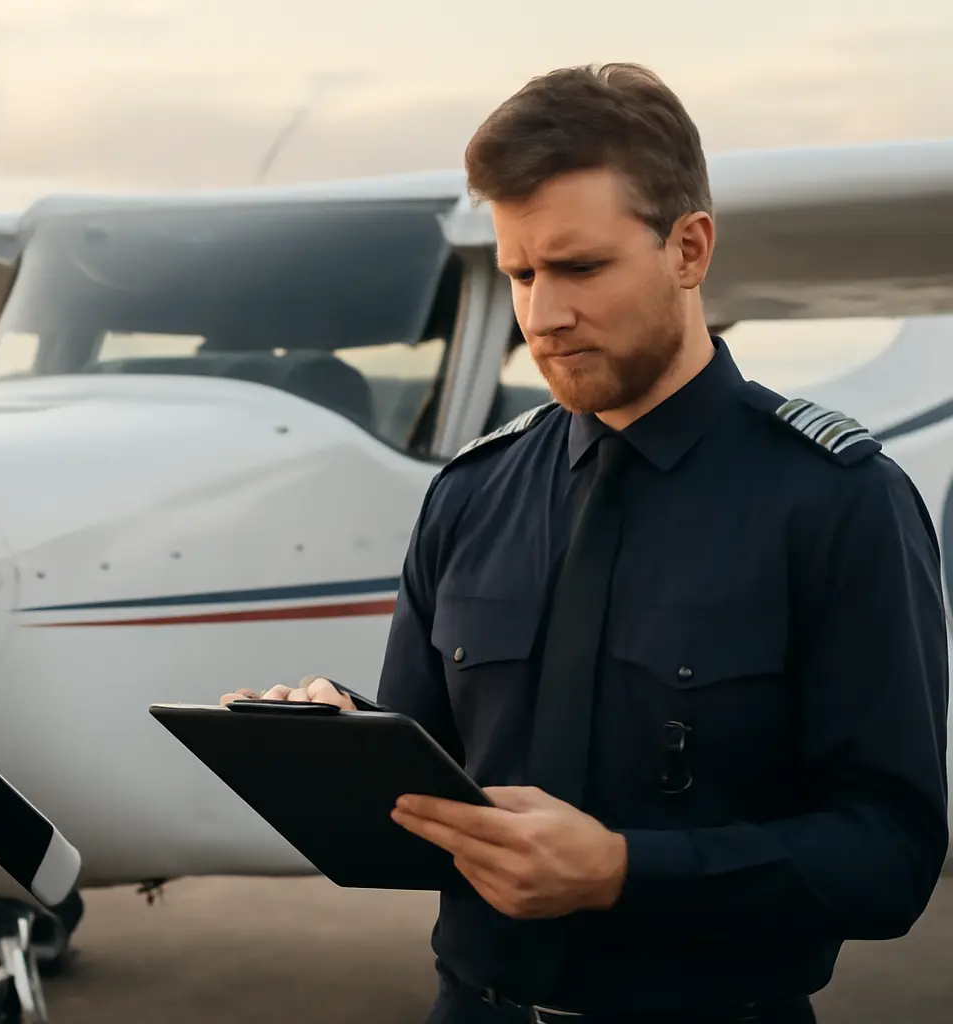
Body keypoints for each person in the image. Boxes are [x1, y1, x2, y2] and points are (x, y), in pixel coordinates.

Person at [221, 63, 950, 1023]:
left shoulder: (838, 505)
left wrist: (621, 870)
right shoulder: (468, 499)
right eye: (521, 273)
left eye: (580, 268)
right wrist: (338, 743)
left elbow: (891, 854)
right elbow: (435, 785)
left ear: (690, 249)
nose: (541, 316)